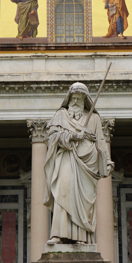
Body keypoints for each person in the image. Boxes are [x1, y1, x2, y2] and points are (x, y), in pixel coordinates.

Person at [44, 83, 113, 244]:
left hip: (87, 163)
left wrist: (107, 161)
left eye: (79, 98)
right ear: (68, 99)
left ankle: (81, 237)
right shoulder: (61, 115)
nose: (75, 101)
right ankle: (58, 234)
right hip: (67, 157)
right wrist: (74, 136)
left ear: (85, 100)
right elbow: (51, 137)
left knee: (82, 201)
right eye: (73, 98)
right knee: (63, 189)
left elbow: (101, 142)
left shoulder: (94, 118)